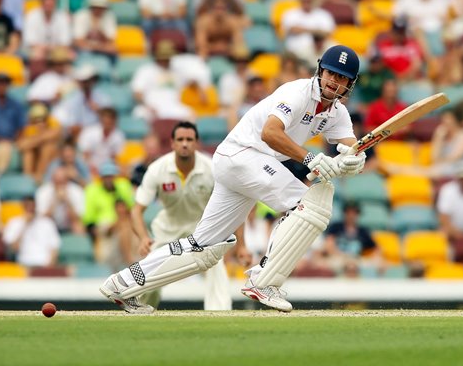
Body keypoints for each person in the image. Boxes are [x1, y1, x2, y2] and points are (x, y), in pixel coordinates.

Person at [100, 45, 366, 313]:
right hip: (244, 155)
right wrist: (309, 158)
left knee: (202, 247)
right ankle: (263, 281)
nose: (334, 81)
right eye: (331, 73)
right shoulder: (296, 92)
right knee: (310, 204)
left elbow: (350, 146)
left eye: (342, 78)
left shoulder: (338, 113)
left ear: (350, 84)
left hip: (243, 164)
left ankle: (122, 285)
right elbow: (270, 133)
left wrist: (354, 160)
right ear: (320, 71)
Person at [131, 121, 239, 310]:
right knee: (150, 272)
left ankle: (220, 314)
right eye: (180, 139)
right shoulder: (158, 169)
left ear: (197, 143)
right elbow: (136, 210)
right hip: (167, 230)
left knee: (216, 269)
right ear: (172, 143)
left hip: (202, 230)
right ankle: (140, 310)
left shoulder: (211, 168)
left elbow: (233, 207)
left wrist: (242, 246)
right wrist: (142, 238)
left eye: (189, 139)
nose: (184, 144)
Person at [3, 196, 61, 268]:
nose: (30, 209)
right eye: (27, 206)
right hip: (23, 264)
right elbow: (14, 248)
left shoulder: (47, 223)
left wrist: (48, 268)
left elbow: (54, 248)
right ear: (23, 206)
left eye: (32, 206)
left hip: (43, 264)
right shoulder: (14, 223)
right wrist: (25, 226)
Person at [437, 164, 463, 241]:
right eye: (462, 178)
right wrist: (457, 234)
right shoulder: (447, 190)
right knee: (442, 234)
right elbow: (443, 217)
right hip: (452, 230)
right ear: (457, 178)